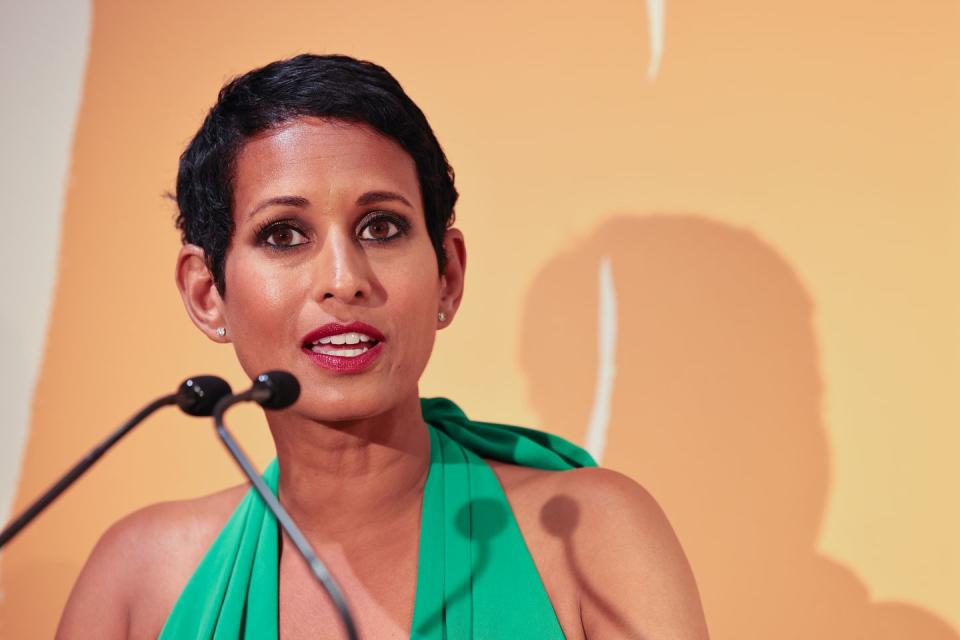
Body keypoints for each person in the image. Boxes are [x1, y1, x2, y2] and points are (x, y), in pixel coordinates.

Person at [56, 54, 709, 639]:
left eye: (382, 226)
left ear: (447, 274)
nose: (344, 281)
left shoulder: (590, 537)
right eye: (284, 234)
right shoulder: (138, 581)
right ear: (207, 293)